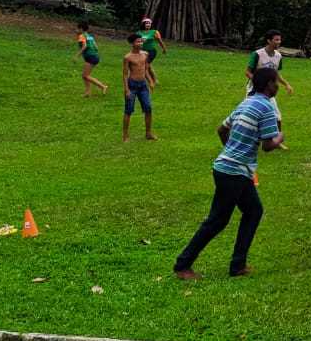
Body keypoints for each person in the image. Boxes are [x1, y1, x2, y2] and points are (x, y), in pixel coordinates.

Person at [174, 67, 283, 280]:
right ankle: (182, 265)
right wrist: (280, 137)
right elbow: (268, 146)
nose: (277, 85)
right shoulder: (267, 107)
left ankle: (238, 266)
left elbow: (221, 129)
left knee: (253, 211)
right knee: (217, 220)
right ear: (269, 84)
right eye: (275, 82)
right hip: (234, 172)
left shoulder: (246, 103)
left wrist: (229, 150)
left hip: (229, 168)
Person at [246, 31, 293, 146]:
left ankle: (276, 141)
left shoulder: (278, 56)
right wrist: (258, 81)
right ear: (269, 40)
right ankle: (252, 140)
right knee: (252, 116)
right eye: (276, 40)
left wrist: (286, 84)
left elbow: (276, 74)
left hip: (268, 92)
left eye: (279, 40)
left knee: (277, 116)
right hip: (254, 90)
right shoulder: (257, 54)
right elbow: (247, 72)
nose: (279, 42)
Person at [122, 34, 156, 142]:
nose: (140, 43)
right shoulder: (128, 57)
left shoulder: (145, 54)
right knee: (128, 111)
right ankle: (125, 135)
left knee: (148, 108)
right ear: (132, 43)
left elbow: (145, 70)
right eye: (138, 41)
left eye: (141, 41)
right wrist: (127, 89)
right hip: (132, 85)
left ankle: (148, 133)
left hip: (143, 85)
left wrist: (150, 81)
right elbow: (124, 74)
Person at [74, 21, 108, 96]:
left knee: (85, 76)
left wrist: (77, 56)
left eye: (77, 29)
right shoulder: (90, 36)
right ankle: (88, 92)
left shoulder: (82, 36)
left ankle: (103, 86)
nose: (76, 30)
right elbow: (96, 47)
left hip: (90, 57)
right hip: (94, 56)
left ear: (81, 29)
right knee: (85, 75)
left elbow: (84, 46)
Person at [136, 17, 167, 83]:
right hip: (141, 52)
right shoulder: (138, 33)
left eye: (149, 23)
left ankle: (149, 81)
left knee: (145, 66)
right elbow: (135, 42)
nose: (148, 24)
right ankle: (155, 80)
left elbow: (160, 41)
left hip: (151, 52)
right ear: (143, 24)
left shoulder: (154, 32)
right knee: (148, 67)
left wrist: (164, 48)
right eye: (146, 23)